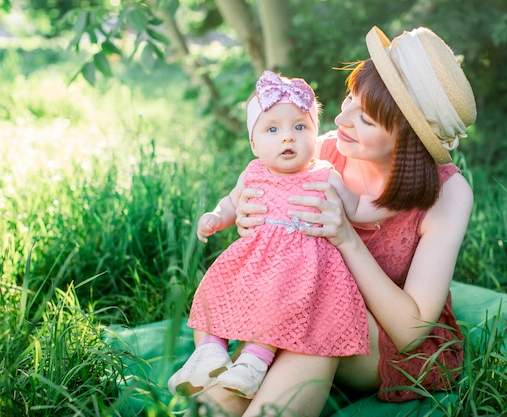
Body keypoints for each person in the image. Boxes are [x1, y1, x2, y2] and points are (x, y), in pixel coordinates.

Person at [194, 26, 477, 417]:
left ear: (408, 138)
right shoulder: (321, 152)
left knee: (315, 322)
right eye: (348, 98)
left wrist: (347, 238)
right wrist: (248, 219)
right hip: (294, 310)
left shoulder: (448, 194)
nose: (341, 118)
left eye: (365, 118)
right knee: (281, 334)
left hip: (385, 341)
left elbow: (410, 332)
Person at [167, 70, 392, 400]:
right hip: (256, 261)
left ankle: (253, 364)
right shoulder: (254, 171)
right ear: (254, 144)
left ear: (315, 136)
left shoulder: (324, 174)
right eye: (273, 129)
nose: (288, 137)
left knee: (279, 307)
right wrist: (217, 217)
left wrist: (392, 203)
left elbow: (358, 208)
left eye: (300, 127)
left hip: (301, 269)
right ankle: (209, 354)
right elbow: (232, 201)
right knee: (215, 292)